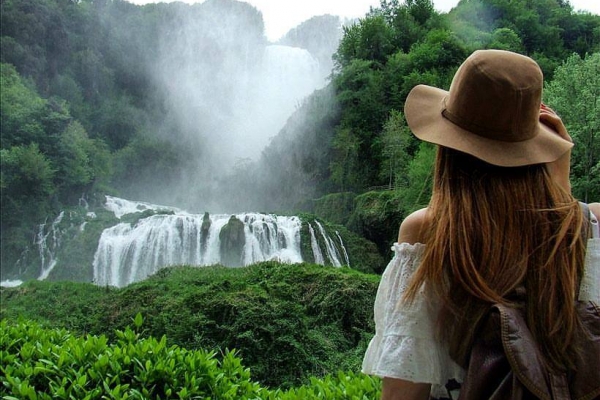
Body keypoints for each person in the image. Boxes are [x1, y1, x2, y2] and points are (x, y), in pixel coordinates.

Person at [361, 49, 600, 400]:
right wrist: (560, 186)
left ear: (449, 146)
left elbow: (403, 389)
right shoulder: (587, 225)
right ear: (536, 145)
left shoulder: (429, 231)